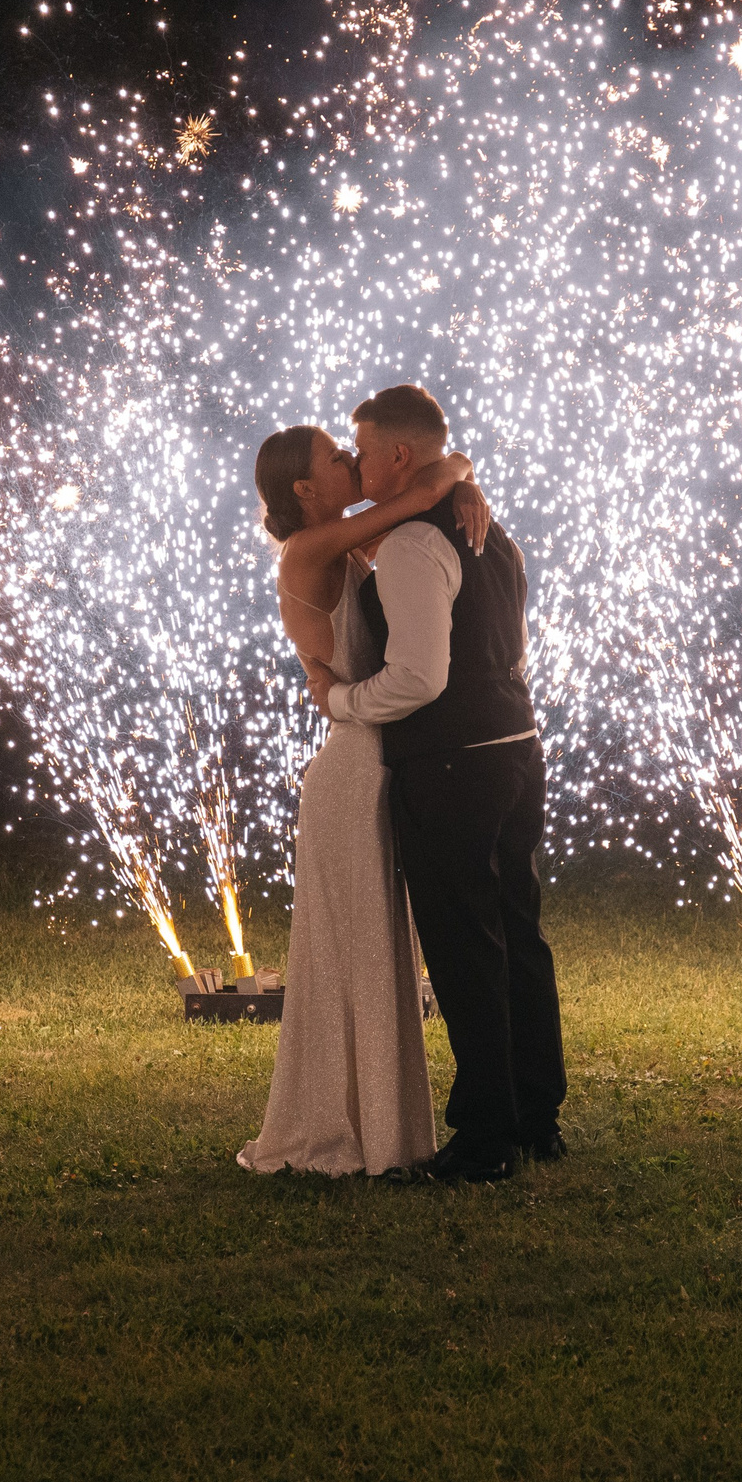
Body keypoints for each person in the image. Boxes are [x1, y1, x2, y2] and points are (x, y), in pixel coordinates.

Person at [306, 385, 564, 1185]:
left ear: (400, 456)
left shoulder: (415, 544)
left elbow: (419, 675)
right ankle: (535, 1116)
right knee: (519, 933)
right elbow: (511, 646)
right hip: (517, 749)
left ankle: (486, 1137)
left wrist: (344, 702)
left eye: (363, 446)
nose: (356, 459)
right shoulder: (492, 532)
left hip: (453, 762)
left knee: (465, 947)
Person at [238, 424, 489, 1176]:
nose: (352, 462)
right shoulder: (308, 552)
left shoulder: (351, 547)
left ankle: (381, 1128)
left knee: (379, 951)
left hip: (379, 762)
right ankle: (349, 1132)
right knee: (356, 953)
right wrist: (459, 474)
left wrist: (464, 479)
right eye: (336, 459)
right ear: (306, 490)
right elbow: (421, 490)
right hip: (354, 774)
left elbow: (427, 492)